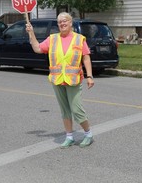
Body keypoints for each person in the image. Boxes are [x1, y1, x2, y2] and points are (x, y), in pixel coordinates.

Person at [26, 12, 94, 148]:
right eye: (60, 22)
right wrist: (31, 33)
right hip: (57, 80)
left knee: (77, 110)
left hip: (73, 80)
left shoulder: (79, 39)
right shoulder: (53, 39)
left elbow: (86, 57)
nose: (62, 24)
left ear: (70, 23)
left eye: (65, 21)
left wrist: (90, 76)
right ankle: (69, 137)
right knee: (65, 110)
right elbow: (37, 48)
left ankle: (88, 134)